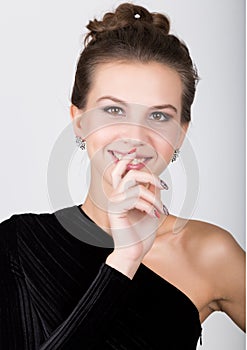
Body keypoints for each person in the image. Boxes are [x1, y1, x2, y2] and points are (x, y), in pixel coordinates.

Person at [0, 2, 245, 349]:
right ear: (79, 120)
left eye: (159, 117)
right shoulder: (17, 246)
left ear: (180, 133)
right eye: (113, 110)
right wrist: (124, 260)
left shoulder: (210, 254)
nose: (135, 136)